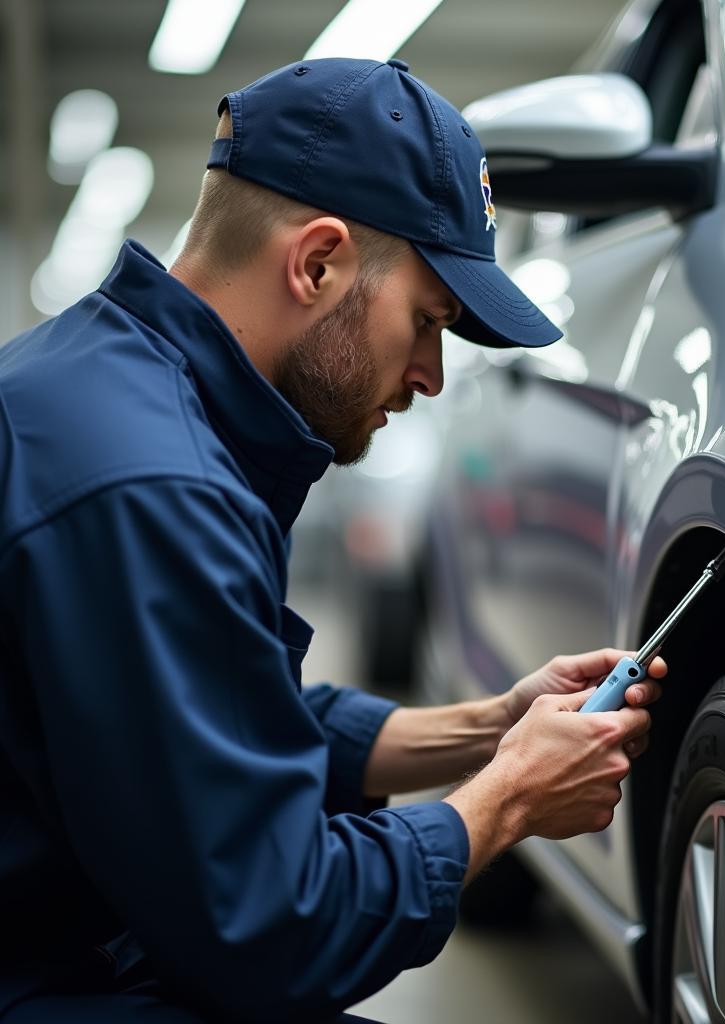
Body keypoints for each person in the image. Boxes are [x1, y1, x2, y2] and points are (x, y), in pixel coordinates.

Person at [0, 58, 666, 1022]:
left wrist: (493, 728)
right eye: (428, 320)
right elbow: (273, 928)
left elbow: (209, 725)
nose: (433, 375)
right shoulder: (152, 488)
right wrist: (505, 801)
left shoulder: (107, 390)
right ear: (317, 263)